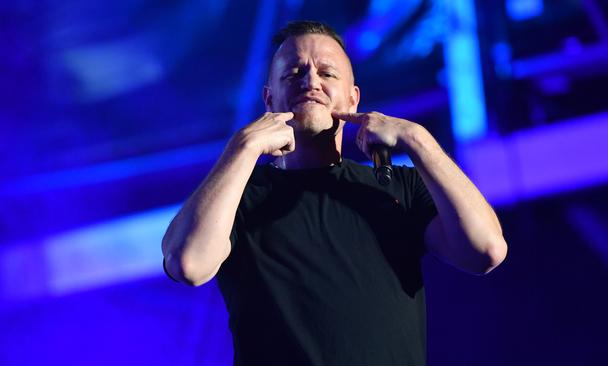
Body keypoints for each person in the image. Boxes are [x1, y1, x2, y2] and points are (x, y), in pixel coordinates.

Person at [162, 20, 507, 366]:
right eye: (293, 73)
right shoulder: (238, 199)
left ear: (353, 98)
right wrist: (242, 148)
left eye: (327, 74)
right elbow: (189, 264)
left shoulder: (398, 186)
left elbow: (485, 251)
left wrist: (418, 139)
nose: (310, 81)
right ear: (270, 99)